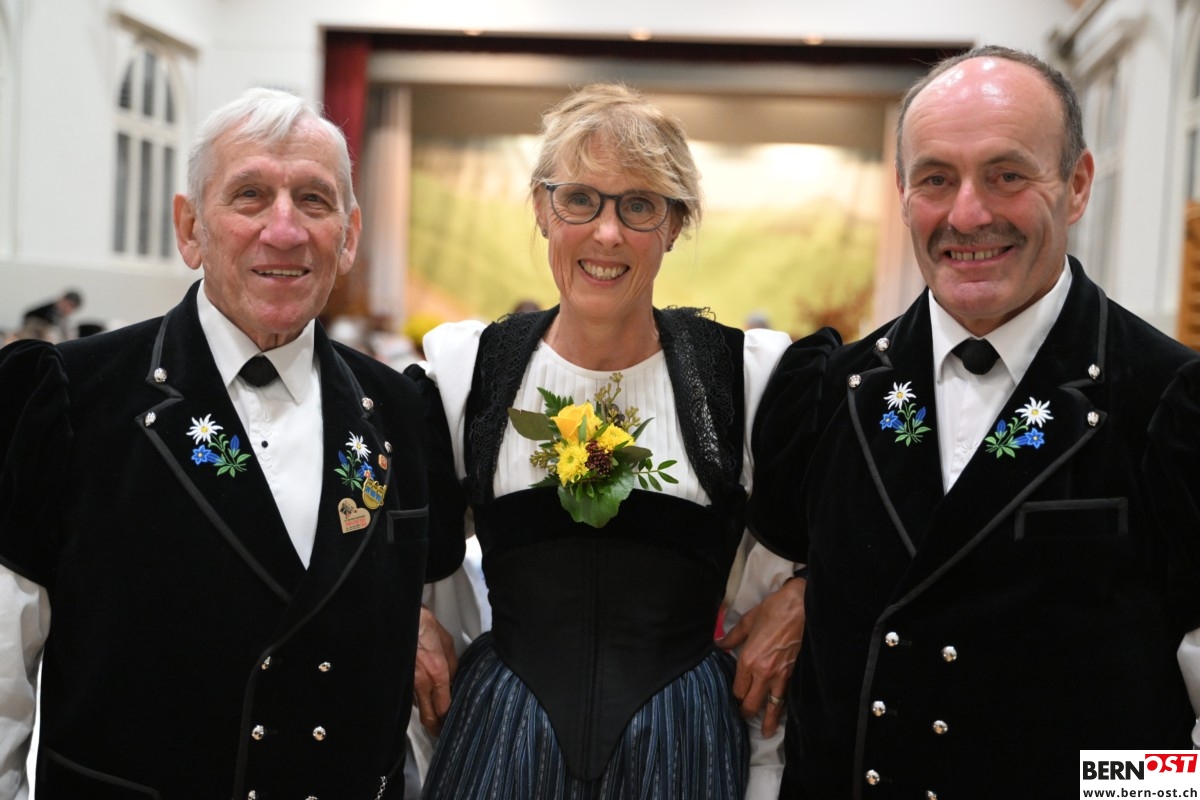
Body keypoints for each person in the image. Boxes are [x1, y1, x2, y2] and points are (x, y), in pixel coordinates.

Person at [747, 45, 1200, 799]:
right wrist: (803, 585)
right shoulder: (829, 391)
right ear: (902, 193)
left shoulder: (1170, 402)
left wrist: (1117, 792)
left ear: (1077, 185)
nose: (967, 215)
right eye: (935, 179)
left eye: (1007, 175)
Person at [0, 87, 464, 798]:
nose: (284, 230)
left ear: (348, 236)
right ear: (190, 228)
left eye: (313, 200)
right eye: (250, 195)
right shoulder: (69, 398)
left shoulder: (400, 412)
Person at [409, 83, 793, 799]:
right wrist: (407, 618)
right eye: (579, 199)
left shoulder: (745, 379)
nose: (607, 233)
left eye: (639, 205)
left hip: (681, 748)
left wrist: (808, 592)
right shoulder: (468, 373)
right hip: (503, 741)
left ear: (675, 224)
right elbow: (415, 568)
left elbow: (795, 579)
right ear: (541, 207)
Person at [17, 290, 82, 342]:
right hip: (34, 327)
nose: (67, 308)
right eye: (68, 304)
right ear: (62, 300)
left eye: (72, 307)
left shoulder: (66, 320)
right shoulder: (49, 310)